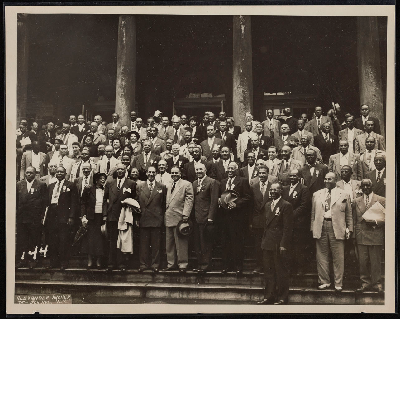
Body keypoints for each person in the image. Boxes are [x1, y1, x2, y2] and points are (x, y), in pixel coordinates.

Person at [311, 172, 353, 291]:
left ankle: (338, 283)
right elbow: (313, 214)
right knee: (321, 255)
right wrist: (313, 228)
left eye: (330, 179)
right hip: (321, 226)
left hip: (337, 227)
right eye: (325, 179)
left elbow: (349, 214)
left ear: (336, 180)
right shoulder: (317, 194)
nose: (327, 181)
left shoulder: (344, 194)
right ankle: (324, 281)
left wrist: (349, 228)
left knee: (338, 256)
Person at [257, 182, 293, 305]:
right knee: (268, 271)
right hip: (267, 242)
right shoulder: (267, 205)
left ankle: (282, 297)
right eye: (271, 190)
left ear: (281, 191)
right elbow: (265, 225)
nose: (272, 192)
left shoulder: (286, 205)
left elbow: (288, 228)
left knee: (280, 271)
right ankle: (269, 296)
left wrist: (283, 244)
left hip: (278, 243)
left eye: (275, 190)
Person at [218, 162, 251, 274]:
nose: (230, 170)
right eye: (229, 168)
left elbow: (247, 197)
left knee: (237, 242)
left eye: (233, 168)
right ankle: (226, 266)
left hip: (237, 217)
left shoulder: (242, 181)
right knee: (225, 242)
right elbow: (221, 196)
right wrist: (220, 201)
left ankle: (238, 266)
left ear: (237, 170)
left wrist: (237, 203)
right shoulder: (222, 182)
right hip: (224, 217)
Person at [102, 163, 137, 271]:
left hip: (124, 215)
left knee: (123, 240)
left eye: (122, 169)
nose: (120, 171)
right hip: (112, 215)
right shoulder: (110, 183)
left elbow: (134, 199)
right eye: (118, 169)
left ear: (125, 170)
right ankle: (111, 264)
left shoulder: (131, 183)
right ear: (116, 171)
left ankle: (122, 264)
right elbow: (105, 200)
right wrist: (105, 215)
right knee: (112, 240)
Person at [352, 179, 385, 293]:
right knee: (363, 261)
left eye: (368, 185)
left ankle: (377, 283)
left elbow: (387, 217)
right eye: (363, 186)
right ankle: (365, 283)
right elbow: (354, 219)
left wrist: (376, 222)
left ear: (372, 186)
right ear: (361, 187)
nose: (366, 188)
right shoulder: (356, 201)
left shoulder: (381, 199)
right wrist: (354, 236)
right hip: (361, 234)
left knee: (375, 261)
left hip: (375, 234)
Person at [46, 166, 79, 269]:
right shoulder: (51, 186)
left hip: (64, 216)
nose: (59, 173)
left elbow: (74, 202)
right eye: (58, 172)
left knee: (63, 239)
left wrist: (71, 216)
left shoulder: (71, 185)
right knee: (52, 239)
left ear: (65, 174)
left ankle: (63, 262)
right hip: (52, 215)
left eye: (61, 172)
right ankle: (53, 262)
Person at [136, 165, 167, 273]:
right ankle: (143, 264)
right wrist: (137, 217)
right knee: (143, 244)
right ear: (146, 173)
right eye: (149, 172)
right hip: (144, 218)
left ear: (156, 173)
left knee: (156, 244)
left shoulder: (161, 187)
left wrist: (161, 217)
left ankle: (155, 264)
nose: (151, 174)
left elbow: (163, 204)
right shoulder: (140, 186)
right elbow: (136, 203)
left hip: (156, 219)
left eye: (153, 172)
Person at [164, 166, 194, 272]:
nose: (174, 174)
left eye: (176, 173)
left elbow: (189, 200)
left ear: (180, 174)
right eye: (172, 173)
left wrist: (186, 214)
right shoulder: (168, 185)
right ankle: (171, 263)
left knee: (181, 243)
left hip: (180, 218)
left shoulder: (186, 184)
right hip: (168, 217)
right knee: (169, 243)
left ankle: (182, 264)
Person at [16, 166, 47, 268]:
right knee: (22, 239)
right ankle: (23, 259)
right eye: (27, 173)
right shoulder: (19, 185)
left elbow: (44, 202)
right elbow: (16, 202)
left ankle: (33, 259)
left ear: (35, 174)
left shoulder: (41, 185)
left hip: (35, 218)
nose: (28, 174)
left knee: (34, 239)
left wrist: (42, 216)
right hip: (22, 218)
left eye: (31, 173)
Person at [282, 169, 311, 275]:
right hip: (287, 223)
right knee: (288, 245)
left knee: (299, 246)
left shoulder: (304, 189)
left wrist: (290, 215)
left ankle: (300, 268)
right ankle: (290, 267)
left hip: (298, 222)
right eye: (291, 176)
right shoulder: (284, 189)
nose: (292, 178)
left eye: (294, 176)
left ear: (299, 177)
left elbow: (304, 206)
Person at [192, 163, 219, 273]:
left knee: (206, 242)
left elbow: (213, 201)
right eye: (197, 169)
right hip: (196, 217)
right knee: (197, 242)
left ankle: (206, 264)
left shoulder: (211, 182)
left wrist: (210, 217)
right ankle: (200, 264)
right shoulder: (194, 183)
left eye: (200, 169)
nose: (198, 171)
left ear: (205, 170)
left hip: (206, 217)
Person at [248, 164, 272, 273]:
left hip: (269, 221)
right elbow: (251, 206)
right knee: (258, 245)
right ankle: (259, 265)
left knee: (269, 244)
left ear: (268, 174)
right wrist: (251, 221)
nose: (261, 175)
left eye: (264, 173)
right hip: (257, 221)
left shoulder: (273, 186)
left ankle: (268, 266)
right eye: (260, 173)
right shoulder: (253, 187)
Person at [80, 172, 107, 269]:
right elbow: (83, 203)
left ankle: (99, 261)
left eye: (104, 178)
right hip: (91, 217)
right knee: (90, 238)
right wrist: (83, 216)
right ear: (96, 180)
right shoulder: (89, 189)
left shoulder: (106, 190)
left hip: (101, 217)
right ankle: (90, 260)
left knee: (100, 239)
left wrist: (105, 215)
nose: (103, 180)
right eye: (101, 178)